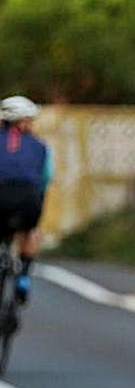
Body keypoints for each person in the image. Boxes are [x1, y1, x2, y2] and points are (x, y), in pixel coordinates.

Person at [0, 96, 53, 304]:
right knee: (31, 232)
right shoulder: (40, 146)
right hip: (28, 199)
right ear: (25, 121)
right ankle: (23, 277)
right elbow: (46, 178)